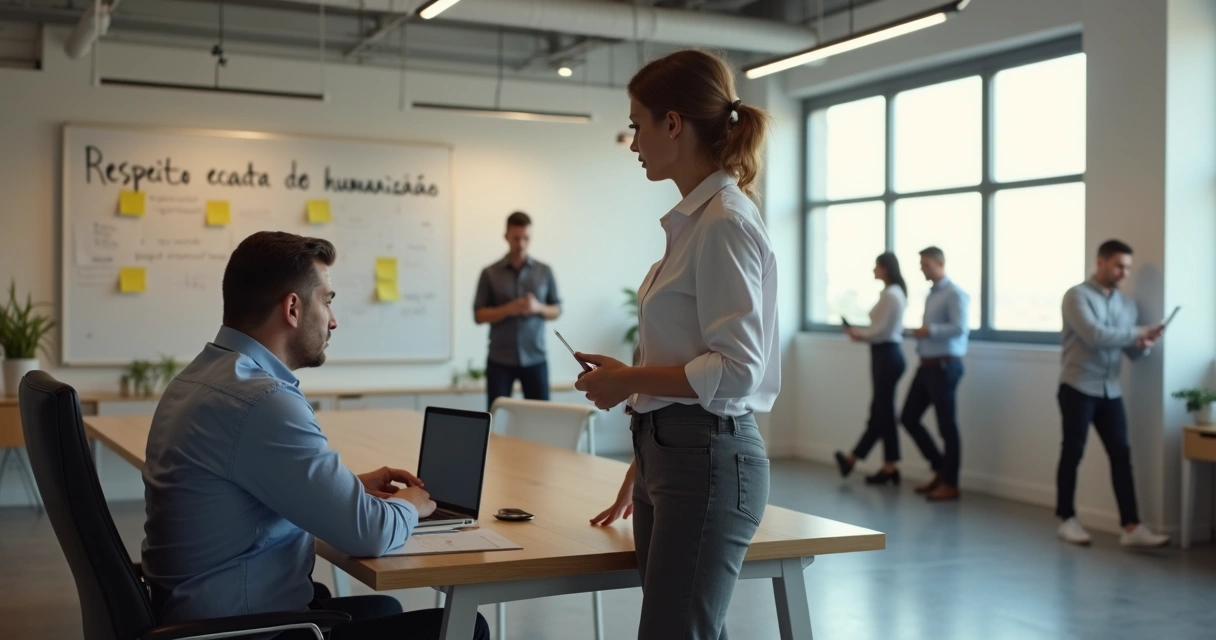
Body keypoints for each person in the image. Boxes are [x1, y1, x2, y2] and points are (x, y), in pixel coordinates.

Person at [141, 231, 489, 640]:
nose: (334, 319)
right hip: (243, 630)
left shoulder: (199, 378)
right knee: (464, 629)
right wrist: (410, 505)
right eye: (327, 300)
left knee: (385, 607)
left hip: (192, 615)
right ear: (292, 307)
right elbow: (369, 534)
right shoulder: (262, 400)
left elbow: (246, 489)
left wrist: (348, 488)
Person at [574, 50, 778, 640]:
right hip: (673, 454)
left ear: (673, 123)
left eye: (637, 124)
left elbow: (737, 371)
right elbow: (690, 358)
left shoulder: (724, 223)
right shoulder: (697, 221)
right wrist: (644, 460)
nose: (633, 141)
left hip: (707, 459)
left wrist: (629, 382)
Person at [1056, 239, 1170, 547]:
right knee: (1073, 453)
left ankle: (1131, 527)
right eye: (1119, 265)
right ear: (1101, 262)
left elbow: (1129, 352)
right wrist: (1139, 332)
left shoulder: (1127, 305)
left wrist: (1143, 346)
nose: (1124, 273)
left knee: (1121, 455)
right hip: (1078, 385)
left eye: (1128, 268)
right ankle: (1067, 519)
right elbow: (1095, 336)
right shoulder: (1076, 296)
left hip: (1110, 389)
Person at [901, 246, 969, 502]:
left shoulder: (954, 293)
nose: (922, 268)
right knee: (908, 417)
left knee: (946, 426)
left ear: (940, 263)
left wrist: (930, 331)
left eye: (926, 264)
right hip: (926, 365)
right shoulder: (932, 294)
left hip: (944, 367)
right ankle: (940, 467)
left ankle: (951, 483)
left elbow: (960, 328)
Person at [474, 211, 562, 410]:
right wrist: (509, 309)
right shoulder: (489, 273)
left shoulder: (544, 270)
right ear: (506, 236)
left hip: (535, 357)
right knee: (496, 418)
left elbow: (557, 309)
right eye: (516, 238)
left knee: (541, 418)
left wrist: (537, 307)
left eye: (526, 238)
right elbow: (478, 315)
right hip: (499, 359)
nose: (521, 243)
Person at [836, 252, 908, 486]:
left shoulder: (891, 294)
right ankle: (886, 465)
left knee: (882, 414)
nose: (873, 270)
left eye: (875, 266)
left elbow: (881, 331)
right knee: (882, 413)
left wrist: (859, 334)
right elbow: (880, 329)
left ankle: (856, 459)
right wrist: (861, 334)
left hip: (887, 355)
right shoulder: (892, 293)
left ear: (885, 268)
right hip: (885, 355)